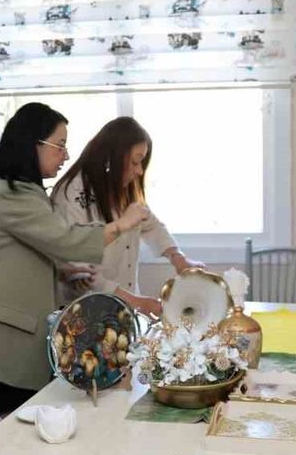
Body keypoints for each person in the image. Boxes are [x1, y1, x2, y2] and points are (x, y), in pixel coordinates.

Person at [0, 103, 146, 415]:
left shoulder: (20, 190)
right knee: (2, 431)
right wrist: (121, 225)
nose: (66, 155)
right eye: (60, 145)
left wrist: (62, 272)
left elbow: (29, 251)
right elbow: (66, 240)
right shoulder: (11, 192)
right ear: (33, 143)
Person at [51, 116, 202, 316]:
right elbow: (78, 270)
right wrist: (136, 302)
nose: (139, 171)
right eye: (135, 162)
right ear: (110, 158)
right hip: (85, 313)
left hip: (123, 308)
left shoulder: (122, 188)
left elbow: (151, 224)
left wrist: (178, 258)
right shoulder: (72, 194)